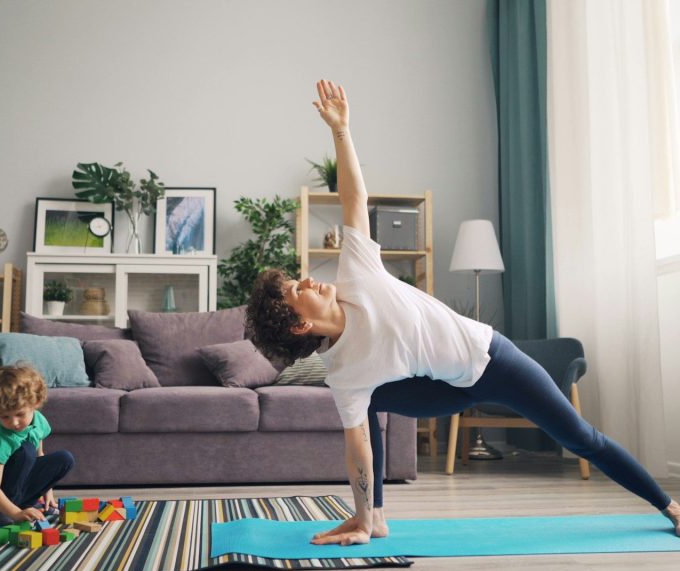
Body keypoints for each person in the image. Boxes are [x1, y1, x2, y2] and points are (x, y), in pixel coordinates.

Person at [245, 79, 680, 545]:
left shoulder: (356, 271)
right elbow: (358, 449)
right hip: (441, 389)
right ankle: (374, 518)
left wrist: (341, 129)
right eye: (296, 290)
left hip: (491, 360)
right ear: (301, 324)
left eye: (297, 278)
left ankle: (670, 506)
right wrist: (361, 516)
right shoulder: (343, 373)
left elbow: (353, 198)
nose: (307, 279)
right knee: (362, 406)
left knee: (579, 437)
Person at [0, 364, 74, 526]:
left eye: (20, 414)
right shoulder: (1, 439)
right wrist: (15, 513)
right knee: (25, 451)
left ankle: (24, 505)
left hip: (14, 487)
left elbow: (40, 457)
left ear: (35, 403)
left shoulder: (39, 422)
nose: (14, 422)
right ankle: (2, 512)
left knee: (64, 459)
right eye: (5, 417)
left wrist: (47, 492)